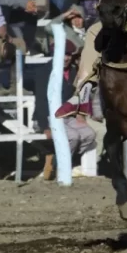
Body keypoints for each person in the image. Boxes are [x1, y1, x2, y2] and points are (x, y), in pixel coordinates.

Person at [34, 39, 97, 177]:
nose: (66, 58)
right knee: (73, 136)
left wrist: (80, 114)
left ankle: (58, 160)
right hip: (51, 116)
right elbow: (41, 101)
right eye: (62, 54)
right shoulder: (44, 73)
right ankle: (63, 167)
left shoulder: (74, 72)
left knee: (89, 134)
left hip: (70, 116)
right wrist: (44, 126)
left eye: (68, 54)